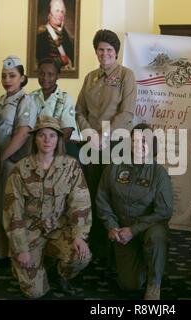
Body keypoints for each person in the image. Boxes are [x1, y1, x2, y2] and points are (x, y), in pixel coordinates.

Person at [3, 116, 92, 299]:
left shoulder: (71, 166)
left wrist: (79, 235)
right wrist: (21, 249)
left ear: (58, 139)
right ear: (34, 138)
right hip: (30, 231)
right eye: (42, 135)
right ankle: (27, 264)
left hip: (59, 228)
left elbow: (80, 203)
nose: (47, 140)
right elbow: (13, 212)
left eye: (52, 135)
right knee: (35, 293)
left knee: (81, 256)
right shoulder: (20, 170)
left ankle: (58, 272)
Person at [76, 29, 137, 260]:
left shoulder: (126, 75)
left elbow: (127, 112)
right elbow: (79, 109)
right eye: (100, 49)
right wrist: (89, 132)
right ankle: (97, 247)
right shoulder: (90, 77)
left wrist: (104, 135)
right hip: (91, 143)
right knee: (92, 193)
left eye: (109, 50)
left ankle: (117, 249)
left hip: (116, 144)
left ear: (116, 52)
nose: (104, 54)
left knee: (113, 194)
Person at [96, 124, 173, 300]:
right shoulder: (114, 168)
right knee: (129, 285)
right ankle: (144, 262)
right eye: (136, 140)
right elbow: (102, 199)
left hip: (148, 229)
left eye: (145, 140)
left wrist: (134, 230)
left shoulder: (159, 173)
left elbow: (164, 211)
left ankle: (155, 281)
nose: (140, 144)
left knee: (156, 236)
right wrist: (112, 226)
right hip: (122, 230)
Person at [0, 55, 38, 268]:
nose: (7, 79)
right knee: (0, 208)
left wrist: (1, 159)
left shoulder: (25, 101)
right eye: (4, 76)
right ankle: (2, 253)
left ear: (22, 78)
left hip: (12, 164)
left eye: (12, 75)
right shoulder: (0, 101)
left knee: (14, 211)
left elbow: (22, 134)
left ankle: (16, 255)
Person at [29, 58, 80, 159]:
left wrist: (50, 149)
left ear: (57, 76)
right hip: (35, 148)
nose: (45, 77)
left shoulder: (65, 99)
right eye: (41, 73)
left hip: (60, 148)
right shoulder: (30, 98)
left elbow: (67, 130)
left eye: (50, 74)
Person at [36, 0, 74, 71]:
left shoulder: (66, 34)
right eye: (57, 11)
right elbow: (41, 57)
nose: (60, 14)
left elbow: (71, 56)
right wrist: (60, 61)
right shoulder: (42, 33)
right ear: (50, 13)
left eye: (62, 11)